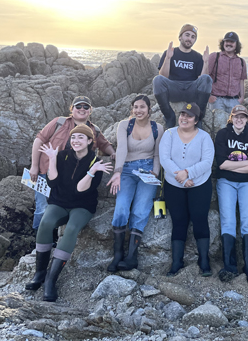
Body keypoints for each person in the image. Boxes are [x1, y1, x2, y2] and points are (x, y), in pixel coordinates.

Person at [25, 125, 112, 302]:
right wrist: (51, 159)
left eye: (81, 137)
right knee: (45, 223)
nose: (76, 141)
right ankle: (39, 273)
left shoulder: (94, 161)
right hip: (59, 202)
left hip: (82, 206)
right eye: (73, 138)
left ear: (89, 141)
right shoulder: (62, 155)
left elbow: (80, 190)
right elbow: (52, 182)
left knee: (71, 229)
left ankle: (51, 280)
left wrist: (92, 171)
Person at [29, 96, 115, 230]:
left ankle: (56, 240)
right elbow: (39, 141)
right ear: (72, 109)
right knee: (43, 208)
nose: (82, 109)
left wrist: (113, 153)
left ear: (90, 110)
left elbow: (104, 144)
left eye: (86, 107)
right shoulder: (59, 122)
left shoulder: (94, 130)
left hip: (71, 179)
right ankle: (37, 242)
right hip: (47, 172)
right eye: (78, 106)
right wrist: (34, 166)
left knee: (61, 209)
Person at [105, 95, 164, 272]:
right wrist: (117, 172)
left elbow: (157, 154)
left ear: (149, 109)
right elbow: (121, 149)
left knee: (140, 210)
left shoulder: (157, 128)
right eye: (135, 107)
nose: (138, 110)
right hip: (127, 170)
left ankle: (131, 256)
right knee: (121, 208)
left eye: (142, 107)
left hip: (148, 171)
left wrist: (154, 173)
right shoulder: (124, 125)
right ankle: (117, 255)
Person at [159, 102, 214, 277]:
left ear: (196, 120)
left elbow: (207, 161)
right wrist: (182, 178)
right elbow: (164, 159)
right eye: (182, 114)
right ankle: (177, 262)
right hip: (174, 184)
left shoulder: (204, 137)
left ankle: (204, 260)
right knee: (179, 220)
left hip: (200, 184)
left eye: (189, 116)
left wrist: (188, 174)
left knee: (200, 219)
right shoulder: (169, 134)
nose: (184, 118)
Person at [214, 104, 248, 283]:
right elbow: (221, 164)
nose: (239, 119)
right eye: (236, 116)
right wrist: (246, 164)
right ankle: (230, 267)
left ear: (247, 119)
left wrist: (234, 165)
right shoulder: (222, 134)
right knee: (228, 221)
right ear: (231, 118)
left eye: (243, 116)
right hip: (225, 182)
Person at [153, 24, 212, 128]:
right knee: (157, 80)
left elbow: (204, 80)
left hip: (191, 90)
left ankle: (198, 117)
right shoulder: (170, 53)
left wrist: (206, 62)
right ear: (180, 37)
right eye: (187, 35)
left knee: (207, 78)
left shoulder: (198, 57)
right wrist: (168, 58)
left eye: (193, 37)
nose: (189, 39)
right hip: (174, 89)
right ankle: (169, 115)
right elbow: (163, 76)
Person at [208, 32, 248, 114]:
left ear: (236, 44)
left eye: (232, 42)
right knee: (218, 126)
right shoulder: (215, 57)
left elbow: (241, 80)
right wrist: (209, 96)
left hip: (234, 101)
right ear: (223, 43)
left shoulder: (241, 62)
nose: (229, 44)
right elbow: (205, 77)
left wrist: (242, 98)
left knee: (234, 126)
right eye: (227, 41)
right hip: (217, 100)